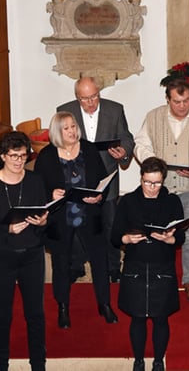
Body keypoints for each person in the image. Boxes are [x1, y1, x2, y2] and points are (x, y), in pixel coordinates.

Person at [134, 78, 189, 303]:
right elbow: (140, 145)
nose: (182, 106)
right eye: (176, 102)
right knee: (157, 231)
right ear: (167, 99)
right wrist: (153, 165)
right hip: (160, 188)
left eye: (186, 101)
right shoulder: (154, 117)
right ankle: (157, 276)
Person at [33, 112, 117, 328]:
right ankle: (63, 307)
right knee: (61, 264)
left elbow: (101, 180)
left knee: (100, 260)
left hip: (89, 213)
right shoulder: (47, 156)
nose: (72, 131)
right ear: (57, 132)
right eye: (66, 128)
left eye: (73, 126)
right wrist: (50, 195)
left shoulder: (88, 149)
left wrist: (99, 196)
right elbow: (37, 189)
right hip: (61, 218)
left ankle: (105, 304)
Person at [0, 132, 49, 371]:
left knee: (35, 314)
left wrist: (42, 222)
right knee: (2, 315)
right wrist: (6, 228)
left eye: (23, 156)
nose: (19, 161)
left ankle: (38, 363)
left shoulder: (35, 180)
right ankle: (1, 362)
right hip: (1, 256)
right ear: (3, 156)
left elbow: (45, 213)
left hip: (32, 254)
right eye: (14, 156)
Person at [57, 75, 135, 283]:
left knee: (109, 224)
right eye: (85, 99)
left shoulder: (115, 109)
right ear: (77, 97)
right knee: (75, 222)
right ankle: (76, 265)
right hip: (77, 177)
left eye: (94, 97)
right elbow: (58, 140)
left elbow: (127, 137)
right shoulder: (65, 111)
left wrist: (123, 152)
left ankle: (112, 267)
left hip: (107, 176)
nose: (91, 103)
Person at [111, 157, 185, 371]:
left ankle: (159, 360)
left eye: (157, 183)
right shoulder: (128, 202)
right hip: (135, 267)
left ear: (163, 181)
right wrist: (127, 239)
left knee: (161, 319)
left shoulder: (172, 202)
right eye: (147, 182)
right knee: (138, 319)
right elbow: (115, 237)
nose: (152, 188)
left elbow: (179, 238)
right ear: (141, 178)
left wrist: (168, 238)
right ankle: (138, 360)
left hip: (162, 267)